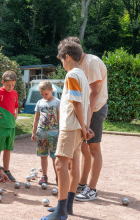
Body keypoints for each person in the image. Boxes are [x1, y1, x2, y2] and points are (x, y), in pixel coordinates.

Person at [41, 41, 93, 220]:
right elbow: (84, 104)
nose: (62, 64)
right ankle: (67, 206)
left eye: (62, 60)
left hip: (70, 127)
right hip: (77, 127)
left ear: (67, 57)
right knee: (74, 164)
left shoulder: (72, 75)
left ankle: (61, 211)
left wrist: (83, 126)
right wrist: (85, 126)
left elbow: (77, 104)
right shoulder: (83, 76)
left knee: (60, 164)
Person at [59, 37, 108, 202]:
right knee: (83, 150)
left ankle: (92, 189)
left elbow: (94, 93)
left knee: (94, 149)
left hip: (95, 109)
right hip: (86, 111)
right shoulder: (78, 68)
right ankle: (81, 183)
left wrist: (86, 121)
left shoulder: (91, 63)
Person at [31, 80, 60, 186]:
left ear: (51, 90)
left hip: (54, 134)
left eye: (46, 94)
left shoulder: (57, 102)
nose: (44, 96)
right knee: (43, 156)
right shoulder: (39, 102)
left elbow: (60, 118)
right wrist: (34, 132)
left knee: (54, 157)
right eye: (42, 94)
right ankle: (44, 176)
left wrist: (60, 133)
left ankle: (58, 176)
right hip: (41, 133)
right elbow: (36, 118)